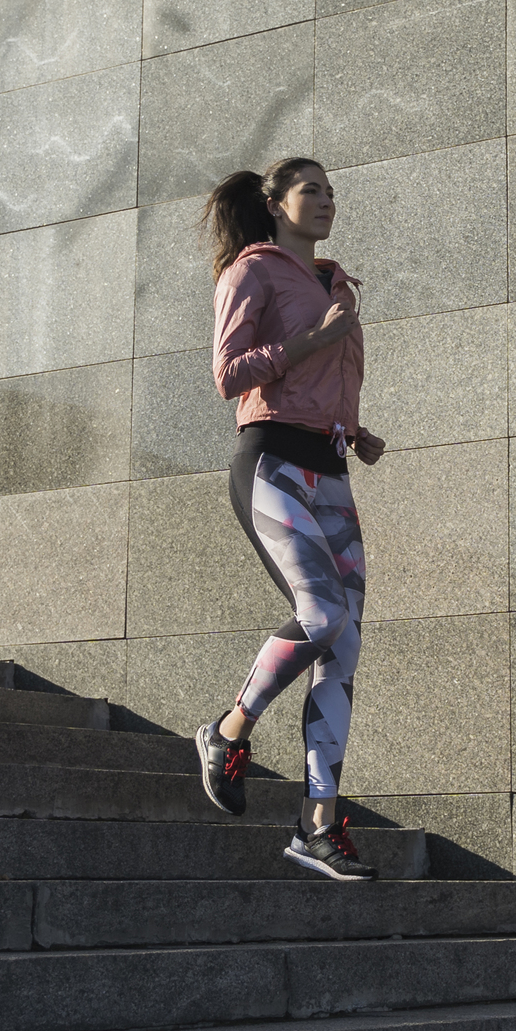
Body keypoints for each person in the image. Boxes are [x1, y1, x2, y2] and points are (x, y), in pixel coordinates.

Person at [192, 156, 388, 881]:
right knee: (321, 615)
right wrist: (307, 342)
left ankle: (318, 827)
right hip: (270, 462)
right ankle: (229, 730)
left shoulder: (337, 284)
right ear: (275, 204)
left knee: (345, 648)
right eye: (312, 189)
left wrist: (353, 429)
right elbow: (228, 375)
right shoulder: (253, 271)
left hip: (329, 469)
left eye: (333, 191)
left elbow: (327, 383)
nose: (327, 200)